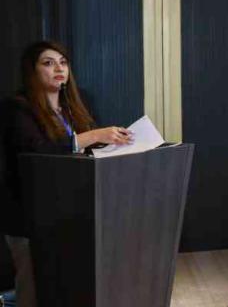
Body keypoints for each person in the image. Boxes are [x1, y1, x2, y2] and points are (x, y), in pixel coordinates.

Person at [1, 41, 134, 307]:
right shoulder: (16, 107)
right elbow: (37, 151)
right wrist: (94, 135)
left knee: (71, 288)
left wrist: (113, 141)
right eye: (48, 63)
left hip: (74, 212)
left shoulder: (77, 103)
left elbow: (88, 150)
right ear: (32, 70)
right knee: (34, 291)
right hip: (30, 217)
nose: (58, 68)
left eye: (63, 62)